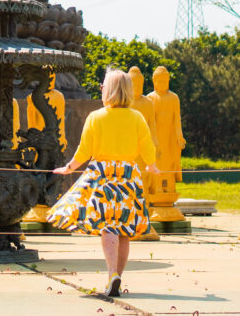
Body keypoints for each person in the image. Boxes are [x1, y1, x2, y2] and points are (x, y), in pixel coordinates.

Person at [48, 69, 160, 297]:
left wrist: (68, 168)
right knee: (124, 229)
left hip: (103, 176)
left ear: (108, 90)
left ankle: (112, 274)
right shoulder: (136, 117)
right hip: (128, 175)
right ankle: (117, 275)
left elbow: (84, 151)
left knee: (108, 227)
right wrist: (151, 165)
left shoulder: (96, 117)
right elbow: (147, 146)